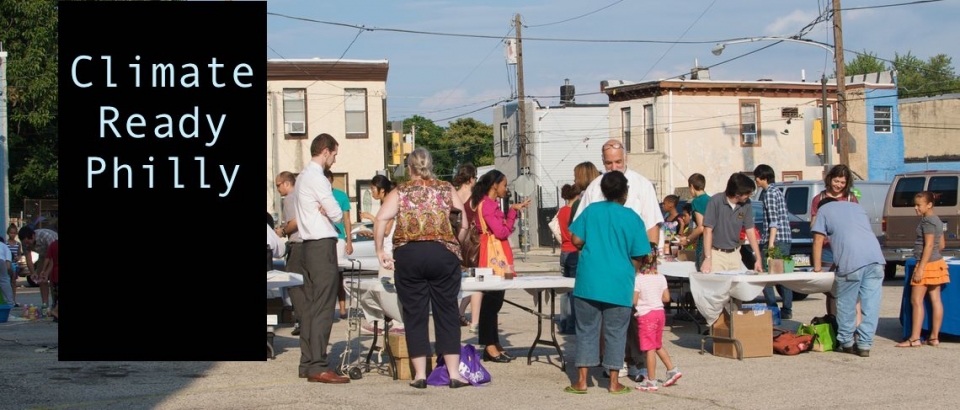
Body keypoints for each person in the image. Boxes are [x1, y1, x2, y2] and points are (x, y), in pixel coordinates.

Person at [373, 148, 471, 389]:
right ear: (431, 165)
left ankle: (419, 375)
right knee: (447, 311)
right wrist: (453, 243)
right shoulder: (446, 189)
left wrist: (380, 251)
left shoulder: (401, 191)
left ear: (409, 168)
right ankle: (453, 374)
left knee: (414, 314)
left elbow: (381, 219)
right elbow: (465, 223)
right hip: (442, 253)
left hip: (409, 255)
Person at [572, 140, 663, 381]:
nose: (614, 166)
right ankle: (614, 365)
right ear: (603, 162)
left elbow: (652, 224)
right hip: (612, 265)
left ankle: (637, 361)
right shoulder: (594, 187)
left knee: (636, 317)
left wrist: (646, 267)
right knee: (610, 322)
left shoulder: (641, 184)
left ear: (626, 158)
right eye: (609, 162)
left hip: (636, 260)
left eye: (618, 161)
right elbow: (580, 230)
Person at [565, 171, 650, 395]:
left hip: (589, 280)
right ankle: (613, 382)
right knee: (616, 332)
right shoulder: (632, 217)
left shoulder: (591, 211)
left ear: (602, 190)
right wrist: (630, 270)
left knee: (585, 330)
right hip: (619, 281)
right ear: (625, 192)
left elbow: (575, 239)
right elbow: (640, 253)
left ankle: (582, 381)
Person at [294, 133, 350, 383]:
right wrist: (329, 212)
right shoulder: (318, 178)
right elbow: (338, 214)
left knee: (310, 307)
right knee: (323, 308)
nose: (335, 160)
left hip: (306, 245)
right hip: (321, 244)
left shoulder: (302, 177)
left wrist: (323, 210)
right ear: (325, 151)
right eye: (335, 154)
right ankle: (318, 365)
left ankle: (307, 362)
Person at [812, 197, 885, 357]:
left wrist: (817, 269)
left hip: (851, 262)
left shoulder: (823, 210)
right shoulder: (856, 208)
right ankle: (865, 344)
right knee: (871, 305)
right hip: (876, 259)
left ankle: (846, 342)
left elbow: (818, 240)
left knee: (846, 302)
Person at [472, 169, 531, 362]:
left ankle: (494, 343)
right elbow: (502, 232)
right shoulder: (488, 206)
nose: (506, 189)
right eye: (504, 185)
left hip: (498, 257)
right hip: (493, 258)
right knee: (491, 303)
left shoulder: (490, 204)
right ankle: (489, 345)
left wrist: (511, 211)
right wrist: (513, 213)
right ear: (494, 185)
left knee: (496, 302)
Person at [896, 191, 949, 348]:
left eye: (919, 205)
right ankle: (934, 337)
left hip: (926, 264)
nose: (915, 208)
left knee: (916, 301)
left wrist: (921, 269)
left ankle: (914, 338)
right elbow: (942, 245)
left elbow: (930, 245)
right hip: (937, 263)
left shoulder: (927, 222)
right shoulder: (938, 220)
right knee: (936, 300)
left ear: (929, 205)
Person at [358, 174, 406, 334]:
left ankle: (396, 322)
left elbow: (386, 229)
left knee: (386, 290)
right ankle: (382, 321)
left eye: (373, 189)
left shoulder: (390, 204)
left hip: (390, 254)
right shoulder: (386, 204)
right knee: (383, 289)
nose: (372, 192)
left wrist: (371, 217)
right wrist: (371, 233)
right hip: (386, 252)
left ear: (382, 190)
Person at [809, 164, 860, 317]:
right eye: (836, 181)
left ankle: (850, 325)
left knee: (849, 287)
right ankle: (833, 322)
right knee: (830, 290)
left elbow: (857, 223)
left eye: (842, 182)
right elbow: (813, 224)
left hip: (846, 249)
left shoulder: (851, 198)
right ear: (830, 179)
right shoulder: (819, 198)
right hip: (826, 250)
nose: (838, 185)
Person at [633, 258, 682, 391]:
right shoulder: (661, 277)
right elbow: (666, 298)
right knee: (657, 344)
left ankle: (651, 380)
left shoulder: (638, 279)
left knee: (649, 349)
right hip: (659, 313)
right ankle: (672, 369)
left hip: (646, 315)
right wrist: (654, 297)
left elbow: (635, 300)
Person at [700, 173, 763, 273]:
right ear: (738, 194)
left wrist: (758, 258)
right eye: (748, 193)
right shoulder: (715, 201)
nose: (750, 196)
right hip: (716, 254)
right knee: (719, 287)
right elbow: (707, 231)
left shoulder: (747, 204)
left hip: (735, 254)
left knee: (735, 288)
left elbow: (750, 230)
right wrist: (708, 258)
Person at [754, 164, 794, 319]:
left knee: (766, 275)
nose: (756, 181)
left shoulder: (769, 193)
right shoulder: (777, 191)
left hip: (776, 240)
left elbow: (773, 220)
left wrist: (770, 243)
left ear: (763, 178)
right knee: (782, 275)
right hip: (784, 238)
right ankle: (787, 308)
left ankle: (773, 307)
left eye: (757, 177)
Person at [276, 171, 307, 336]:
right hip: (309, 243)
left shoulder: (289, 198)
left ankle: (303, 320)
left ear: (286, 183)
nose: (278, 190)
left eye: (278, 186)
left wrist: (282, 231)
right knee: (306, 284)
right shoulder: (302, 194)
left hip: (297, 243)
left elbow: (293, 222)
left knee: (293, 282)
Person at [452, 164, 482, 333]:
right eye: (475, 178)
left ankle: (459, 312)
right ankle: (474, 322)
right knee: (477, 280)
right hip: (472, 243)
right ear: (471, 179)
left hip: (456, 241)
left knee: (462, 281)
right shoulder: (474, 198)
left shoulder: (453, 195)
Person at [325, 168, 352, 319]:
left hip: (339, 237)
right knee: (326, 274)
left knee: (339, 273)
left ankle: (342, 307)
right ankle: (328, 307)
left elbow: (347, 219)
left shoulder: (341, 196)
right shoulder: (318, 196)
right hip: (323, 237)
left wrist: (349, 240)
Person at [557, 183, 581, 335]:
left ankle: (564, 322)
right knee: (573, 289)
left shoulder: (561, 211)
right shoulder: (575, 211)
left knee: (564, 290)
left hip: (563, 250)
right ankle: (572, 325)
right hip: (573, 250)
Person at [19, 226, 58, 309]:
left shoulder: (46, 237)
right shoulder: (25, 241)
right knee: (41, 278)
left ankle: (55, 305)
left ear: (33, 236)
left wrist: (46, 272)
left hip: (55, 256)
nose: (26, 245)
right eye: (25, 243)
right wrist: (33, 273)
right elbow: (28, 259)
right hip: (43, 255)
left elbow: (53, 259)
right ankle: (45, 305)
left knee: (52, 279)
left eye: (28, 242)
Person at [679, 173, 709, 271]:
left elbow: (701, 227)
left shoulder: (697, 201)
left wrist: (687, 240)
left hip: (703, 241)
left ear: (691, 186)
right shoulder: (711, 199)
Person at [39, 239, 59, 321]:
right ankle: (55, 311)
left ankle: (55, 314)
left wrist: (43, 270)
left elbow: (47, 258)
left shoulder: (53, 244)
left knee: (56, 296)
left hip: (55, 274)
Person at [6, 224, 22, 306]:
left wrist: (18, 258)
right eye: (11, 233)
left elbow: (19, 254)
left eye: (14, 233)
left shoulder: (18, 244)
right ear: (8, 233)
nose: (12, 234)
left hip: (14, 265)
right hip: (7, 265)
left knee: (13, 283)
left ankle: (13, 300)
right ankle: (7, 299)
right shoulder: (5, 243)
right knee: (6, 282)